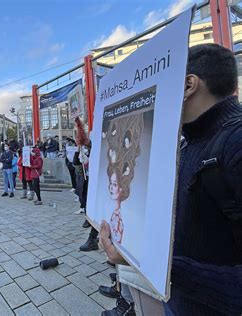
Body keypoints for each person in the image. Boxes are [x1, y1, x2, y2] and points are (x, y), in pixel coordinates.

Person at [101, 44, 242, 315]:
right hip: (180, 303)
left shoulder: (234, 143)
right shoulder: (189, 142)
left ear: (188, 85)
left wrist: (158, 264)